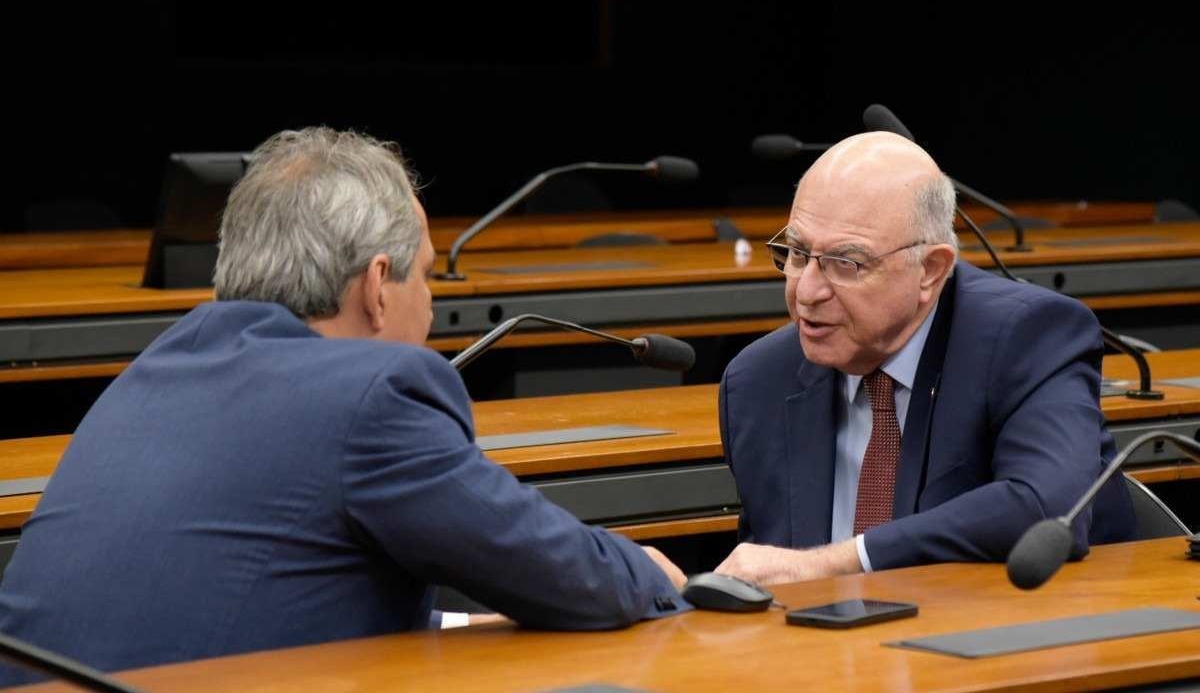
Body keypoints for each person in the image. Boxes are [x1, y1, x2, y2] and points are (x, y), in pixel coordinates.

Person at [0, 127, 688, 679]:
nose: (432, 305)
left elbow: (271, 590)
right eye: (427, 276)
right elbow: (561, 574)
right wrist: (654, 575)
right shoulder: (375, 395)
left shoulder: (155, 369)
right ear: (378, 286)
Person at [715, 131, 1134, 585]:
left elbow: (1045, 508)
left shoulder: (1028, 338)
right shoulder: (757, 383)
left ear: (930, 271)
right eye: (798, 254)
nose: (806, 292)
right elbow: (766, 573)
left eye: (846, 263)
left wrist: (839, 563)